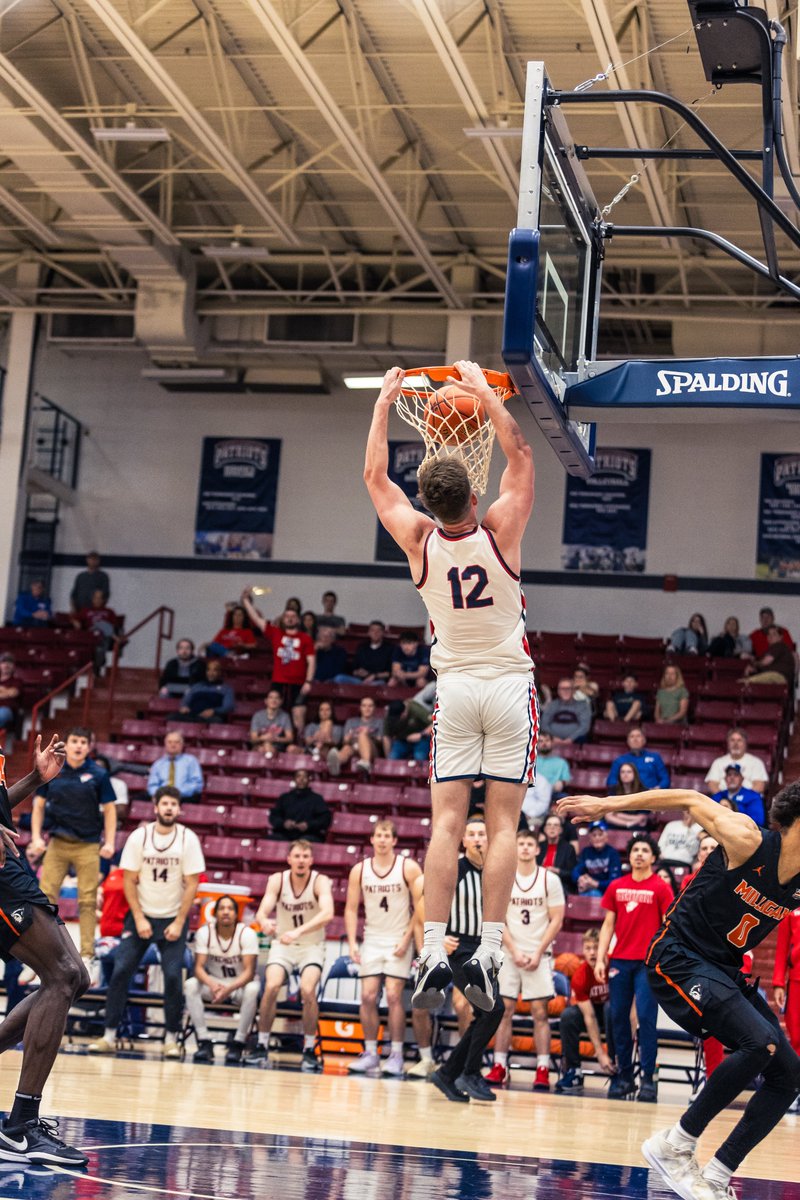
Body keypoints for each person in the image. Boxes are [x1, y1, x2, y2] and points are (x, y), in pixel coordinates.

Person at [364, 361, 537, 1014]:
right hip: (508, 687)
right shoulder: (500, 530)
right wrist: (485, 392)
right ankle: (489, 950)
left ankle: (434, 951)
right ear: (473, 495)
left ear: (428, 503)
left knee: (444, 826)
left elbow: (375, 479)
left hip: (455, 689)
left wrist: (384, 403)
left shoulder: (416, 541)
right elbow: (519, 452)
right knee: (501, 826)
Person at [558, 782, 800, 1200]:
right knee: (759, 1043)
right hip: (678, 956)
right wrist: (607, 804)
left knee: (789, 1074)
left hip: (722, 969)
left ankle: (718, 1175)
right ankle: (675, 1144)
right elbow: (689, 798)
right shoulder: (747, 838)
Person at [0, 734, 92, 1167]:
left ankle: (21, 1125)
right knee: (63, 975)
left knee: (77, 978)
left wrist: (34, 779)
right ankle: (20, 1127)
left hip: (9, 865)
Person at [87, 787, 204, 1059]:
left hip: (173, 918)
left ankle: (172, 1039)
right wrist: (138, 917)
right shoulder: (140, 836)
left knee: (174, 977)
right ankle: (108, 1036)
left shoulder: (188, 838)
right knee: (120, 971)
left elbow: (193, 884)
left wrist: (179, 921)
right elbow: (129, 879)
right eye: (164, 803)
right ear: (155, 806)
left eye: (173, 804)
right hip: (141, 914)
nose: (168, 809)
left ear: (179, 809)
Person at [426, 817, 506, 1102]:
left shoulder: (495, 871)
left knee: (488, 1012)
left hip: (482, 949)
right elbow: (427, 902)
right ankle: (469, 1073)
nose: (477, 839)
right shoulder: (455, 869)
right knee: (493, 1008)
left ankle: (449, 1074)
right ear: (462, 840)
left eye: (482, 834)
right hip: (458, 949)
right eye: (471, 833)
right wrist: (438, 937)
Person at [594, 835, 673, 1102]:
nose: (639, 854)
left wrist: (663, 958)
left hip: (648, 963)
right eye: (635, 849)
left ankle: (648, 1079)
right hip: (620, 960)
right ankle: (624, 1076)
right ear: (629, 856)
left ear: (653, 857)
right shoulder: (616, 886)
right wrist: (600, 957)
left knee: (646, 1019)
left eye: (645, 850)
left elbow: (668, 926)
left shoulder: (661, 887)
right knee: (618, 1019)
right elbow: (607, 925)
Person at [485, 828, 565, 1091]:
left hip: (539, 953)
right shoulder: (505, 877)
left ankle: (542, 1068)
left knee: (540, 1012)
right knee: (503, 1010)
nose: (525, 848)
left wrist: (538, 951)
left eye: (530, 844)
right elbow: (496, 917)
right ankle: (499, 1066)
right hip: (509, 953)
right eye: (521, 843)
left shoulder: (549, 880)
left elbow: (557, 919)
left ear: (537, 848)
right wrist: (514, 950)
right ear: (515, 847)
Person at [29, 727, 116, 966]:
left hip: (88, 845)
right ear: (67, 744)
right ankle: (43, 956)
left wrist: (109, 842)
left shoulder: (99, 775)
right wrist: (37, 837)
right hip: (57, 843)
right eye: (75, 741)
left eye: (83, 742)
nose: (78, 746)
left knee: (88, 901)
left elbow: (109, 810)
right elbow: (38, 805)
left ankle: (87, 955)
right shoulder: (54, 771)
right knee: (44, 899)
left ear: (89, 746)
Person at [249, 840, 334, 1071]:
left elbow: (328, 913)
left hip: (311, 945)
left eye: (306, 856)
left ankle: (308, 1048)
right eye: (297, 856)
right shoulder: (277, 880)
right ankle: (262, 1043)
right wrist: (264, 921)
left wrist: (298, 931)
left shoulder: (320, 881)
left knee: (308, 990)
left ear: (311, 860)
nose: (301, 860)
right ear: (289, 859)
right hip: (284, 945)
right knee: (271, 986)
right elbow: (262, 910)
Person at [344, 820, 421, 1075]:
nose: (383, 840)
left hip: (399, 936)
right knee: (367, 996)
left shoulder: (408, 867)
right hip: (373, 938)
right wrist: (353, 941)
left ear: (395, 841)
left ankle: (396, 1054)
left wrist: (407, 938)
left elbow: (421, 905)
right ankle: (370, 1052)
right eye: (378, 835)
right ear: (372, 839)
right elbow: (351, 908)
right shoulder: (360, 869)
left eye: (387, 835)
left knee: (393, 995)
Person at [185, 895, 260, 1064]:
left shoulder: (247, 934)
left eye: (230, 908)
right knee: (190, 985)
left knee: (253, 989)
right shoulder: (205, 933)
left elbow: (249, 972)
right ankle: (204, 1042)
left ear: (236, 914)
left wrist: (228, 989)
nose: (226, 912)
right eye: (222, 908)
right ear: (215, 912)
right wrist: (213, 985)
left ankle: (238, 1043)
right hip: (214, 985)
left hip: (238, 986)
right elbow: (198, 968)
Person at [240, 592, 315, 733]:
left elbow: (311, 661)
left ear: (298, 620)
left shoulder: (305, 638)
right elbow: (256, 619)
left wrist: (309, 681)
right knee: (274, 712)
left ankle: (298, 744)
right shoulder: (275, 633)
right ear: (283, 619)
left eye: (293, 617)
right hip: (279, 681)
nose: (290, 619)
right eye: (287, 617)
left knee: (299, 713)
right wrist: (246, 601)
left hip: (298, 683)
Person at [554, 927, 616, 1094]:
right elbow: (589, 1016)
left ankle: (616, 1065)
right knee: (568, 1016)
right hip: (592, 1012)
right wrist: (599, 1053)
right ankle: (574, 1071)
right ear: (583, 951)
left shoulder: (613, 966)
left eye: (596, 947)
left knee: (610, 1008)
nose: (592, 953)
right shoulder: (580, 976)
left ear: (604, 947)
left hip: (612, 1013)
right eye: (588, 948)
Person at [773, 902, 800, 1113]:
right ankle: (794, 1090)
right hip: (796, 981)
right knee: (796, 1037)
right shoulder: (793, 906)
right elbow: (782, 946)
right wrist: (778, 982)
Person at [269, 769, 332, 843]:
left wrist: (308, 825)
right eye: (298, 776)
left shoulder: (317, 799)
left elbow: (325, 819)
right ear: (294, 779)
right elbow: (274, 817)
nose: (301, 779)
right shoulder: (284, 797)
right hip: (285, 834)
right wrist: (284, 823)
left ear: (309, 779)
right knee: (272, 839)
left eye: (304, 777)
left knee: (306, 842)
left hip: (310, 834)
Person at [327, 695, 383, 776]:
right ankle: (336, 763)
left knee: (362, 735)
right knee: (346, 748)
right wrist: (348, 738)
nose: (367, 709)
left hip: (371, 750)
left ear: (374, 708)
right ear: (360, 708)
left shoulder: (379, 722)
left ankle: (366, 763)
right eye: (364, 706)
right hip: (354, 746)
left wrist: (368, 734)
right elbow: (345, 741)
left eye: (370, 706)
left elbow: (380, 741)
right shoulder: (351, 721)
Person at [705, 728, 768, 796]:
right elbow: (712, 784)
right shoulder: (718, 762)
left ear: (745, 743)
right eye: (732, 740)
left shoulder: (756, 762)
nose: (736, 744)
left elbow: (760, 786)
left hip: (747, 802)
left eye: (739, 740)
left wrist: (741, 799)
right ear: (728, 743)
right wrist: (724, 800)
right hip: (723, 802)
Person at [146, 731, 203, 803]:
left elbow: (197, 785)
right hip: (162, 798)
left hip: (184, 797)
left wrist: (175, 793)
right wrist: (160, 795)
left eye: (176, 742)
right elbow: (152, 786)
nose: (173, 745)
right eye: (170, 742)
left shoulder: (191, 761)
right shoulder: (158, 764)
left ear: (182, 744)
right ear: (165, 744)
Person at [74, 589, 122, 673]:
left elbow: (114, 626)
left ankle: (97, 666)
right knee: (98, 625)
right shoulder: (86, 610)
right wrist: (75, 622)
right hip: (90, 636)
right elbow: (73, 618)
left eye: (100, 598)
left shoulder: (109, 612)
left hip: (103, 638)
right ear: (92, 599)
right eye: (96, 598)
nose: (98, 600)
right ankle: (114, 637)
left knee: (101, 628)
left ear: (103, 600)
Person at [333, 620, 394, 685]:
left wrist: (374, 675)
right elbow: (354, 668)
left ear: (383, 633)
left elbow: (390, 672)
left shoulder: (390, 649)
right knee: (339, 678)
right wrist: (357, 672)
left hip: (376, 681)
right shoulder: (362, 647)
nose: (375, 633)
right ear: (369, 632)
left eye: (378, 631)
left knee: (377, 684)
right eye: (372, 630)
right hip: (359, 680)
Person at [175, 658, 234, 724]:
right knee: (172, 717)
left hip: (210, 717)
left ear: (219, 672)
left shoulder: (226, 689)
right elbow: (185, 701)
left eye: (215, 670)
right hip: (192, 715)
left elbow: (228, 706)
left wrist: (214, 711)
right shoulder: (196, 686)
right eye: (208, 670)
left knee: (217, 721)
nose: (211, 673)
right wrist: (184, 707)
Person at [571, 821, 622, 895]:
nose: (597, 838)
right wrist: (580, 879)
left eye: (600, 834)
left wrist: (596, 884)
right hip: (589, 888)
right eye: (594, 835)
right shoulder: (586, 852)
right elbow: (576, 871)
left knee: (593, 894)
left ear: (606, 837)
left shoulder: (613, 853)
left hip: (607, 892)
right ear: (590, 838)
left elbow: (614, 881)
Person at [741, 623, 796, 687]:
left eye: (774, 634)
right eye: (768, 634)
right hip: (775, 677)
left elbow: (765, 662)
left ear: (780, 637)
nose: (770, 636)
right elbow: (763, 665)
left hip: (778, 676)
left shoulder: (779, 646)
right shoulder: (770, 650)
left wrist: (754, 664)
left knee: (743, 683)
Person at [539, 678, 592, 745]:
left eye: (568, 688)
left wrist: (570, 739)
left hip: (576, 741)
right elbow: (544, 724)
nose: (565, 691)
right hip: (552, 741)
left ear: (573, 690)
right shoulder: (552, 705)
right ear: (558, 691)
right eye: (562, 688)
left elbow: (584, 726)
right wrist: (553, 738)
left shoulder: (583, 706)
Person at [537, 813, 577, 893]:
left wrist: (557, 871)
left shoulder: (568, 848)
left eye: (555, 825)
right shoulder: (538, 846)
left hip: (559, 885)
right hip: (539, 883)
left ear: (560, 830)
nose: (552, 828)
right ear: (545, 829)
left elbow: (572, 874)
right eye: (549, 825)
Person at [383, 697, 432, 762]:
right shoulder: (390, 716)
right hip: (401, 740)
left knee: (419, 757)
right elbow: (386, 737)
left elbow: (435, 723)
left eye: (398, 718)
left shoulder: (415, 709)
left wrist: (421, 734)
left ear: (404, 713)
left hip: (421, 738)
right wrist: (387, 758)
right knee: (392, 757)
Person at [606, 763, 651, 830]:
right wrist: (628, 824)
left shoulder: (643, 791)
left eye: (629, 772)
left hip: (636, 827)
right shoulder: (613, 790)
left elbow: (642, 817)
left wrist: (618, 815)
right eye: (622, 772)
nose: (625, 774)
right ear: (619, 775)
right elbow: (608, 816)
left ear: (634, 774)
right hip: (617, 825)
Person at [250, 688, 294, 755]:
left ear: (281, 701)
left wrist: (276, 739)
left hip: (278, 748)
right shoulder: (257, 716)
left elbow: (290, 738)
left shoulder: (285, 716)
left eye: (277, 698)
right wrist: (263, 738)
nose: (274, 700)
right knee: (263, 748)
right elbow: (253, 739)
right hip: (260, 747)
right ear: (266, 701)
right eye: (271, 697)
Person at [535, 731, 571, 795]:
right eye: (540, 741)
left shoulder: (561, 762)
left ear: (552, 743)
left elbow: (566, 780)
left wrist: (562, 783)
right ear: (536, 744)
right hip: (531, 792)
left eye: (547, 740)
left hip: (552, 793)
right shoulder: (531, 761)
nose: (544, 743)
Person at [0, 656, 20, 739]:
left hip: (6, 710)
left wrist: (4, 691)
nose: (6, 665)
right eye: (4, 662)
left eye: (9, 662)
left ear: (13, 666)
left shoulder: (17, 681)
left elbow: (13, 693)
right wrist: (5, 691)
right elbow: (9, 692)